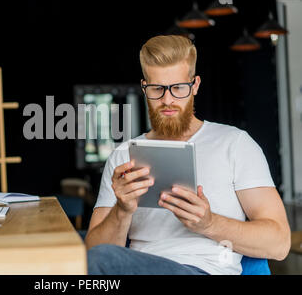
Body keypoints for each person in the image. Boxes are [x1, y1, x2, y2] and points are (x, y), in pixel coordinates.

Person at [85, 35, 291, 275]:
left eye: (178, 88)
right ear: (144, 87)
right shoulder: (123, 156)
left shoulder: (235, 144)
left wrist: (209, 223)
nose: (168, 100)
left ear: (195, 85)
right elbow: (95, 254)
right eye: (157, 89)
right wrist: (122, 210)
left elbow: (279, 244)